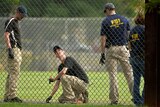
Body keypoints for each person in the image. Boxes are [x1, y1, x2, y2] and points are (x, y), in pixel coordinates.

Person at [99, 3, 134, 105]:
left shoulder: (106, 21)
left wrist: (102, 53)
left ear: (108, 10)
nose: (105, 14)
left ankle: (114, 100)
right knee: (129, 73)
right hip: (123, 48)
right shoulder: (124, 19)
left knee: (113, 75)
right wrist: (129, 49)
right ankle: (135, 96)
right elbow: (129, 36)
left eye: (105, 12)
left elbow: (103, 39)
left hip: (111, 49)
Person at [3, 5, 27, 102]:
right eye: (22, 15)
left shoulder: (16, 22)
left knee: (11, 73)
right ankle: (12, 96)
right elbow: (6, 35)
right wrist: (9, 49)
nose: (23, 17)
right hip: (14, 49)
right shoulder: (11, 21)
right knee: (15, 72)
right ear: (17, 12)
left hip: (16, 49)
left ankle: (7, 96)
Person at [129, 13, 145, 106]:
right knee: (148, 80)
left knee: (136, 80)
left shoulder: (132, 31)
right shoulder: (145, 29)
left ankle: (137, 100)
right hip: (143, 57)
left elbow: (130, 45)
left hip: (134, 57)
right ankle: (143, 100)